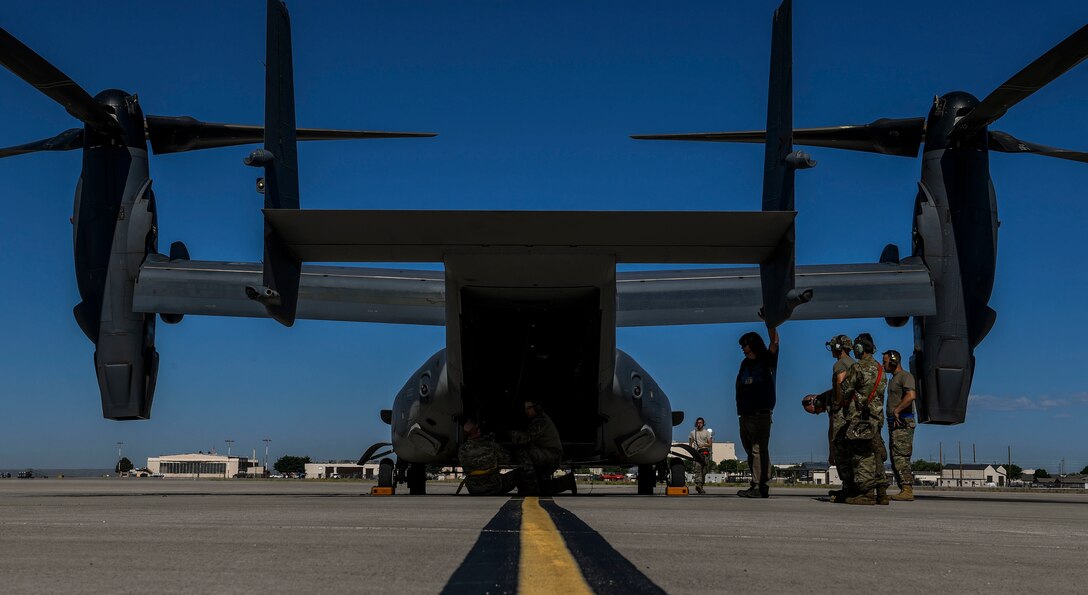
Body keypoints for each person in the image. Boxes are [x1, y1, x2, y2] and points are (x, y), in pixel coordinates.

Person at [838, 334, 890, 505]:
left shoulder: (857, 367)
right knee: (876, 452)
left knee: (862, 455)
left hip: (860, 420)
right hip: (876, 418)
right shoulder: (881, 370)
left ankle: (866, 494)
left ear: (860, 348)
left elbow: (845, 389)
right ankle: (882, 492)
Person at [735, 327, 779, 498]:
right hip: (745, 414)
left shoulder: (766, 359)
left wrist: (770, 324)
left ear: (752, 345)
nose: (742, 349)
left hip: (761, 414)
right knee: (749, 450)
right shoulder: (745, 364)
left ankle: (761, 486)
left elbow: (775, 343)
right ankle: (755, 483)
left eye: (744, 345)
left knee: (758, 449)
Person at [509, 399, 571, 495]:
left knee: (522, 453)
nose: (526, 411)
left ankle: (531, 488)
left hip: (551, 455)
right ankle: (567, 482)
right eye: (525, 409)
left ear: (537, 408)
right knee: (543, 487)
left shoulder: (541, 421)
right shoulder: (538, 420)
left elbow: (527, 437)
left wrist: (509, 434)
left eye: (529, 408)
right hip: (547, 454)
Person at [883, 350, 917, 501]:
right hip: (894, 423)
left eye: (885, 362)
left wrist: (897, 410)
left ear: (893, 361)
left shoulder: (905, 376)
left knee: (901, 456)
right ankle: (903, 488)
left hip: (902, 421)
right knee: (895, 455)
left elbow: (911, 396)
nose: (883, 365)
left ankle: (907, 490)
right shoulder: (894, 378)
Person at [458, 420, 521, 496]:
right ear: (478, 431)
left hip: (473, 489)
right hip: (494, 487)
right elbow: (506, 458)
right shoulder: (491, 445)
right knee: (519, 473)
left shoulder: (462, 449)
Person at [688, 417, 713, 494]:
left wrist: (703, 444)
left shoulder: (707, 433)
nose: (699, 424)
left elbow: (710, 444)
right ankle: (698, 484)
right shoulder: (692, 433)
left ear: (703, 423)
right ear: (696, 423)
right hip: (697, 453)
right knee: (698, 469)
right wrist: (692, 451)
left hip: (705, 452)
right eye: (698, 422)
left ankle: (701, 486)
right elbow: (690, 443)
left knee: (704, 471)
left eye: (701, 423)